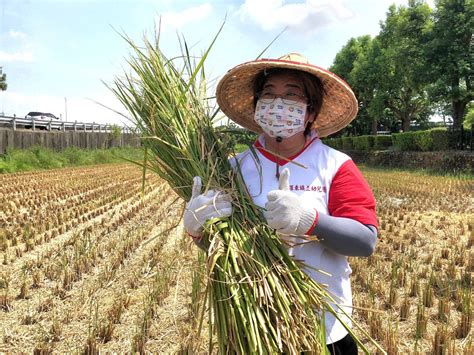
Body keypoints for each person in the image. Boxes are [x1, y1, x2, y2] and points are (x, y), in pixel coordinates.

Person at [183, 53, 378, 354]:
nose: (278, 104)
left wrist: (310, 220)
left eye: (291, 95)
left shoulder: (335, 166)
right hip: (251, 323)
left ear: (310, 111)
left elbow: (364, 241)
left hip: (322, 325)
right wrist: (198, 232)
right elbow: (224, 246)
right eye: (269, 94)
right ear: (257, 106)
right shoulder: (232, 169)